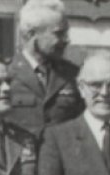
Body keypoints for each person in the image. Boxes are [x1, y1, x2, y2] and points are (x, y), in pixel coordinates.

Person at [7, 0, 84, 137]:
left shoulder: (73, 74)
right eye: (59, 33)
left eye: (65, 33)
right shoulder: (6, 74)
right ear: (31, 34)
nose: (67, 40)